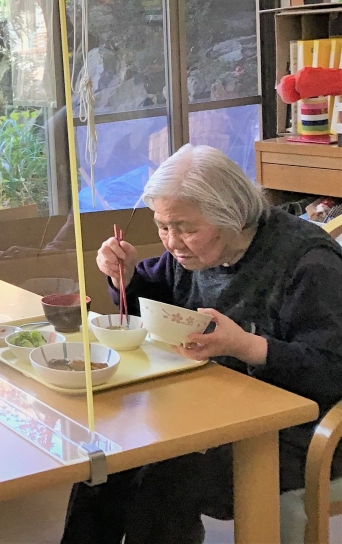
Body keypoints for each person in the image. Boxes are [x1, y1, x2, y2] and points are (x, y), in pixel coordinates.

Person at [61, 144, 342, 544]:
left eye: (185, 228)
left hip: (297, 427)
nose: (173, 242)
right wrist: (123, 278)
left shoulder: (309, 262)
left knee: (164, 479)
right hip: (216, 405)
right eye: (163, 225)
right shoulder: (191, 251)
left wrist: (246, 346)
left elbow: (332, 371)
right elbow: (157, 299)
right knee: (108, 459)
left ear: (233, 215)